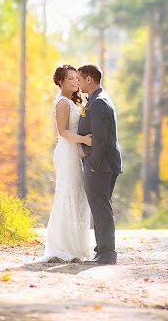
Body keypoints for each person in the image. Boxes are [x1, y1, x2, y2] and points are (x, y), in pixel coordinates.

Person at [38, 65, 92, 262]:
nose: (75, 82)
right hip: (66, 152)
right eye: (70, 78)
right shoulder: (62, 103)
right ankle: (61, 246)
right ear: (60, 81)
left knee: (77, 195)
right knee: (67, 194)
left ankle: (76, 246)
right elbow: (63, 132)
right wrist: (85, 140)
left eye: (76, 78)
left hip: (74, 153)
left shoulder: (73, 101)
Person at [77, 64, 123, 265]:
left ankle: (106, 254)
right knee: (100, 207)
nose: (77, 83)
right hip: (102, 164)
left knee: (101, 207)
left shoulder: (98, 104)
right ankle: (102, 250)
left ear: (89, 79)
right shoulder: (97, 100)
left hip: (100, 165)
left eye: (79, 79)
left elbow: (100, 140)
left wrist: (92, 164)